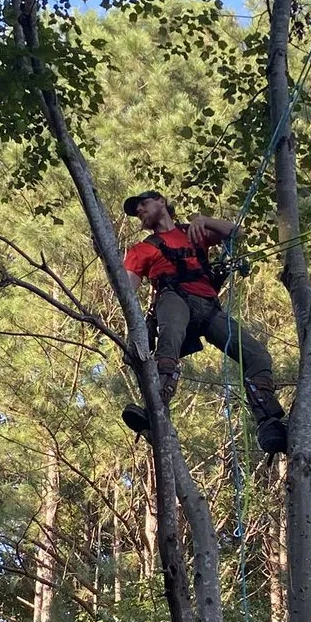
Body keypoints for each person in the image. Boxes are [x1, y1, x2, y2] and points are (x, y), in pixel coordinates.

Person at [121, 190, 287, 455]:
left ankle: (269, 422)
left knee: (257, 356)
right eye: (136, 209)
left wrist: (205, 220)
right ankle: (155, 410)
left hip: (208, 308)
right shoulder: (141, 249)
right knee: (170, 338)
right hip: (172, 298)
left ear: (162, 201)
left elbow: (236, 232)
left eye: (143, 204)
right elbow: (126, 289)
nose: (139, 211)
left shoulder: (192, 232)